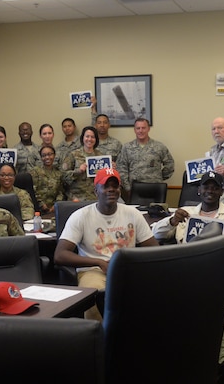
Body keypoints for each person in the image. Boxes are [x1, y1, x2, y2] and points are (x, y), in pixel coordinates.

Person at [152, 171, 224, 384]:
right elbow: (155, 235)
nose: (210, 190)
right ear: (198, 190)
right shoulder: (185, 213)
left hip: (219, 272)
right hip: (185, 272)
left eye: (215, 187)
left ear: (221, 191)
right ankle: (174, 358)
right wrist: (171, 220)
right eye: (206, 187)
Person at [54, 167, 158, 321]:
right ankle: (98, 339)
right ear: (96, 191)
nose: (111, 190)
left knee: (152, 292)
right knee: (92, 295)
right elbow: (60, 255)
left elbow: (153, 248)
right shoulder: (81, 216)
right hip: (93, 270)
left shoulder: (133, 213)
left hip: (127, 269)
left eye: (115, 186)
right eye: (106, 186)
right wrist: (99, 262)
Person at [116, 117, 174, 200]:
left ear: (148, 129)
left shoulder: (159, 147)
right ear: (134, 130)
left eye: (143, 128)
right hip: (134, 189)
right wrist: (127, 187)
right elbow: (121, 168)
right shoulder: (127, 147)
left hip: (155, 188)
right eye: (138, 128)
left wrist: (158, 177)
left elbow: (170, 165)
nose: (141, 131)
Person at [61, 126, 105, 201]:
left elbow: (105, 179)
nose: (90, 139)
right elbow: (63, 176)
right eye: (87, 136)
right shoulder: (73, 154)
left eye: (92, 137)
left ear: (96, 139)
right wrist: (78, 171)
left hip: (95, 198)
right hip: (77, 198)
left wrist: (110, 169)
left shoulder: (101, 156)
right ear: (83, 138)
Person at [32, 144, 65, 215]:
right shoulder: (35, 172)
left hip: (55, 209)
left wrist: (56, 205)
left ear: (54, 155)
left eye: (50, 154)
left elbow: (60, 192)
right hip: (39, 209)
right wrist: (42, 205)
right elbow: (34, 191)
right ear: (41, 157)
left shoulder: (58, 173)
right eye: (44, 155)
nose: (47, 157)